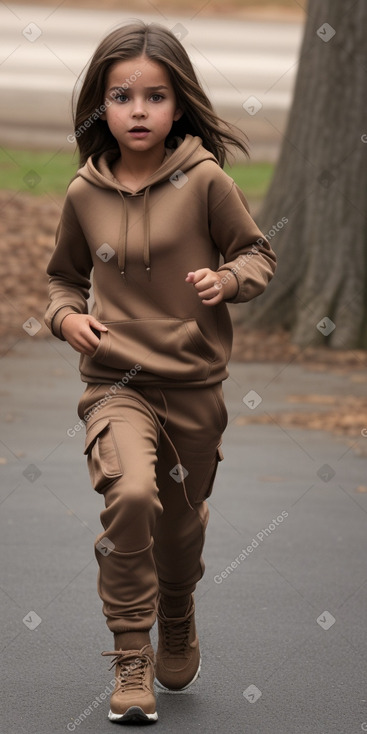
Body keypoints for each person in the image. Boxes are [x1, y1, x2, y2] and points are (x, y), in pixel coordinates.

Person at [44, 20, 276, 724]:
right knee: (132, 495)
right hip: (115, 386)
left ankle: (176, 606)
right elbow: (61, 280)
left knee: (178, 528)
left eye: (154, 96)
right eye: (121, 96)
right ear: (99, 106)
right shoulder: (84, 194)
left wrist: (228, 281)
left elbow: (257, 255)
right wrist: (66, 320)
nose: (137, 110)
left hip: (194, 387)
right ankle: (130, 653)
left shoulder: (205, 181)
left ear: (178, 106)